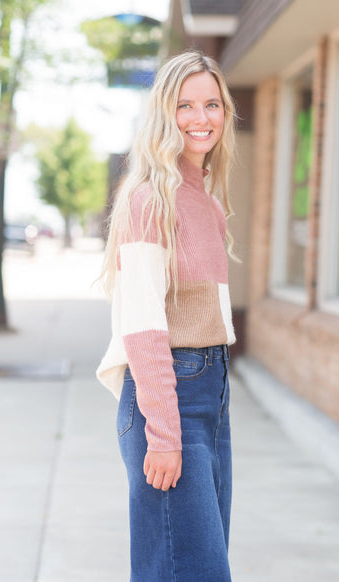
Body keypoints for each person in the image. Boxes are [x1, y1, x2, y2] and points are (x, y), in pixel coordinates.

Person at [96, 49, 238, 582]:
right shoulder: (150, 200)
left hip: (212, 395)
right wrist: (164, 434)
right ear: (163, 112)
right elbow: (143, 327)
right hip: (170, 398)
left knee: (188, 566)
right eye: (185, 105)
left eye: (212, 104)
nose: (201, 119)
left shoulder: (207, 198)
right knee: (194, 571)